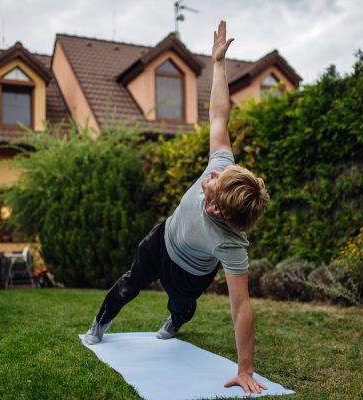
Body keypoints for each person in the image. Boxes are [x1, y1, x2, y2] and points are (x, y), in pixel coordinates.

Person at [84, 21, 270, 395]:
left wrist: (245, 369)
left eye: (210, 190)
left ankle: (177, 318)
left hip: (191, 272)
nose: (208, 180)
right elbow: (219, 116)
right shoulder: (221, 167)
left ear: (217, 212)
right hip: (163, 237)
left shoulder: (232, 246)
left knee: (181, 305)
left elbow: (240, 307)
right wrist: (218, 63)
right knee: (129, 283)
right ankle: (98, 326)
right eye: (214, 179)